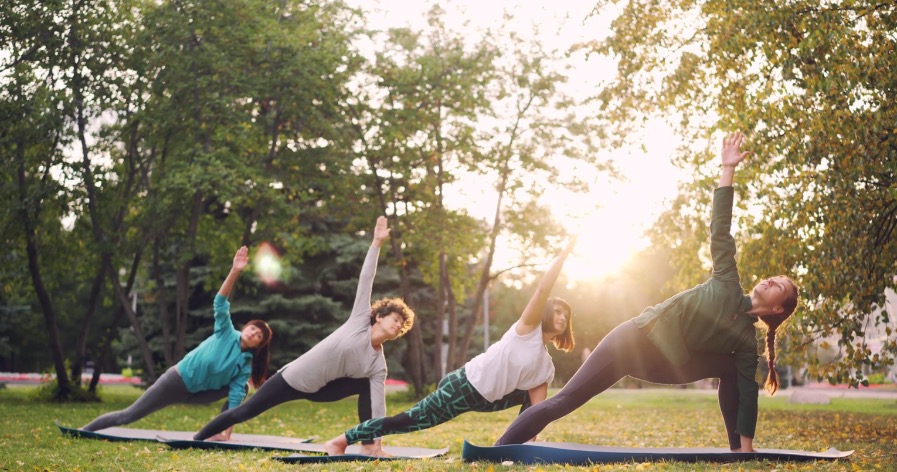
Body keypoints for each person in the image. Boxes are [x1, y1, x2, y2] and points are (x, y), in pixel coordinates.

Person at [494, 132, 800, 453]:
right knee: (565, 401)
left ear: (778, 308)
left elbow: (748, 394)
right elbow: (720, 227)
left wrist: (748, 447)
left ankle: (737, 448)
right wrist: (727, 169)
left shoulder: (744, 340)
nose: (770, 281)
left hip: (663, 364)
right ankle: (498, 447)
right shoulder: (727, 280)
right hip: (632, 341)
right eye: (773, 277)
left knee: (733, 369)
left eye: (779, 286)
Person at [325, 237, 577, 457]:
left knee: (537, 407)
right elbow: (544, 289)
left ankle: (522, 444)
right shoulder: (526, 331)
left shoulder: (545, 366)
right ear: (544, 313)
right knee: (408, 421)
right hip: (464, 385)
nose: (563, 318)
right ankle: (341, 440)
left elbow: (536, 410)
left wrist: (529, 442)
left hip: (487, 399)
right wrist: (563, 255)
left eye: (566, 315)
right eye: (557, 312)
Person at [193, 216, 414, 455]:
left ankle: (368, 446)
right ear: (379, 316)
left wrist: (379, 440)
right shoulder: (359, 320)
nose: (398, 325)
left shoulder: (378, 365)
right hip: (292, 379)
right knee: (244, 412)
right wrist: (376, 243)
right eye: (396, 319)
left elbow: (378, 405)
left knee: (367, 385)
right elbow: (366, 279)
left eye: (402, 326)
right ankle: (198, 437)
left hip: (321, 390)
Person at [83, 246, 273, 441]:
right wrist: (235, 270)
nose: (254, 333)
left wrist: (229, 434)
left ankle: (217, 433)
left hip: (198, 394)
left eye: (259, 335)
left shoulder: (245, 364)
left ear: (258, 345)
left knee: (241, 389)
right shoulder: (226, 332)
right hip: (176, 381)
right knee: (128, 415)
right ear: (245, 327)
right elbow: (220, 302)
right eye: (253, 328)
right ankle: (84, 430)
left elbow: (234, 400)